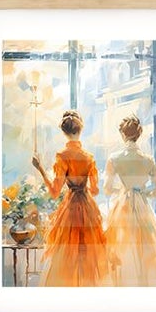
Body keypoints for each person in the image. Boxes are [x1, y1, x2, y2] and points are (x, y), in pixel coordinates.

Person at [31, 111, 109, 286]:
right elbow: (95, 190)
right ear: (80, 130)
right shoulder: (89, 157)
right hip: (87, 207)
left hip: (70, 208)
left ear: (64, 132)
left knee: (67, 255)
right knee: (87, 255)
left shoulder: (62, 156)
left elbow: (54, 192)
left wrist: (40, 169)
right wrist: (83, 184)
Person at [103, 117, 156, 286]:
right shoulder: (148, 159)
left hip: (122, 206)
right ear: (139, 134)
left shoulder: (114, 158)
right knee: (146, 248)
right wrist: (144, 192)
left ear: (123, 134)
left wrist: (123, 190)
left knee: (122, 248)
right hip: (142, 207)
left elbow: (107, 189)